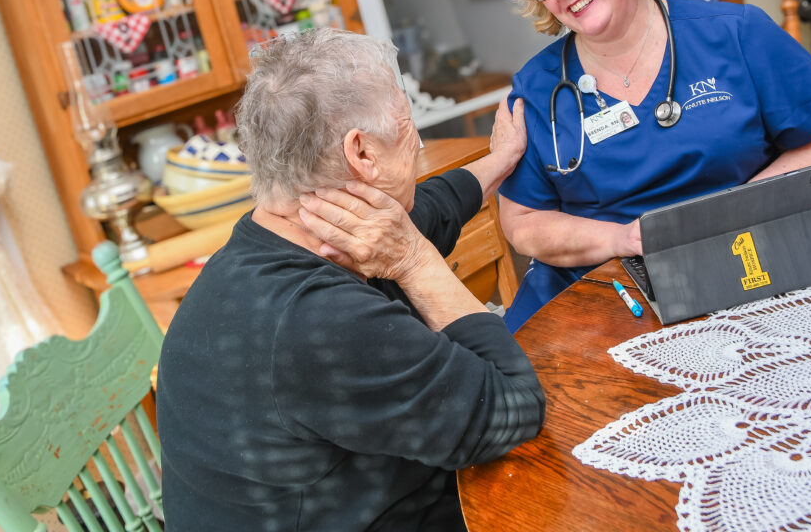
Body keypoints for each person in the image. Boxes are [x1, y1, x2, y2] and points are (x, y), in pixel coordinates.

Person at [155, 28, 545, 531]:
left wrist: (500, 161)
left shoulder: (278, 237)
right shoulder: (318, 319)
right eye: (408, 125)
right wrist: (414, 262)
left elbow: (425, 212)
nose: (418, 141)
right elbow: (515, 408)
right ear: (361, 154)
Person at [498, 0, 811, 332]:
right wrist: (621, 238)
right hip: (606, 291)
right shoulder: (537, 89)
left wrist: (740, 208)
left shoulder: (735, 34)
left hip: (745, 255)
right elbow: (522, 223)